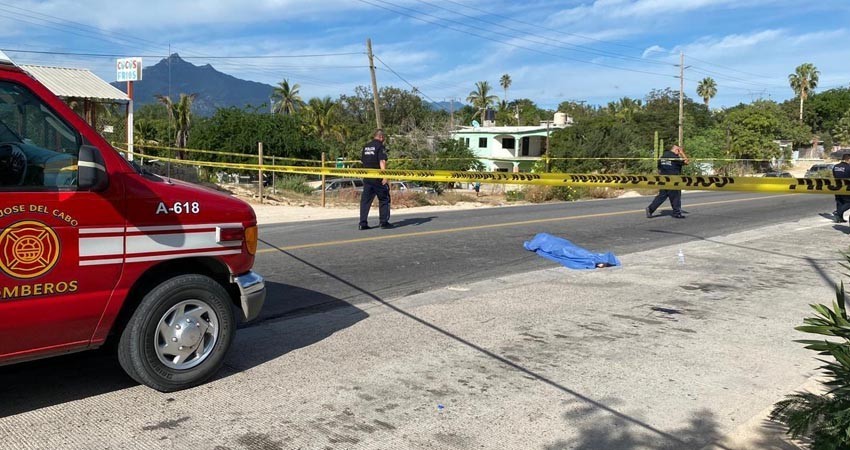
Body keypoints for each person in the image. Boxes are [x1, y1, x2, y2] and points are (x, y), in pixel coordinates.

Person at [358, 129, 391, 230]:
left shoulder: (366, 146)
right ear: (381, 137)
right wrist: (385, 176)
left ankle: (362, 223)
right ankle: (383, 222)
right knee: (384, 198)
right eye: (383, 138)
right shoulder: (380, 146)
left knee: (365, 201)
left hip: (367, 177)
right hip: (377, 177)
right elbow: (382, 161)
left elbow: (363, 161)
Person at [646, 144, 689, 219]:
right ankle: (677, 213)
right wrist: (682, 153)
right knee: (676, 197)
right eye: (678, 151)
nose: (679, 153)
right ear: (677, 150)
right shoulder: (675, 158)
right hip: (674, 180)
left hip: (664, 180)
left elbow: (659, 169)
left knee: (661, 196)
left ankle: (650, 209)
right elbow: (686, 162)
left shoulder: (662, 157)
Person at [832, 153, 850, 223]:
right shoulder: (849, 167)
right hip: (846, 188)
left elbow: (834, 175)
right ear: (848, 159)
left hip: (837, 187)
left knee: (839, 202)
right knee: (848, 202)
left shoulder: (835, 166)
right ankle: (838, 213)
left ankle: (839, 218)